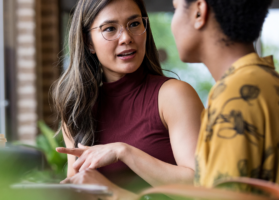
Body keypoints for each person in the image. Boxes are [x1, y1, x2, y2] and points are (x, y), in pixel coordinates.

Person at [54, 0, 203, 196]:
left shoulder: (173, 95)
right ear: (89, 42)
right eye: (109, 28)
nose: (126, 37)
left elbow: (201, 184)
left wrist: (124, 152)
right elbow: (78, 187)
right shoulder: (77, 110)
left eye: (134, 24)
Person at [171, 0, 279, 198]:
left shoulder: (236, 96)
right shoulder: (272, 83)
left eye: (176, 9)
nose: (173, 23)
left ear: (199, 12)